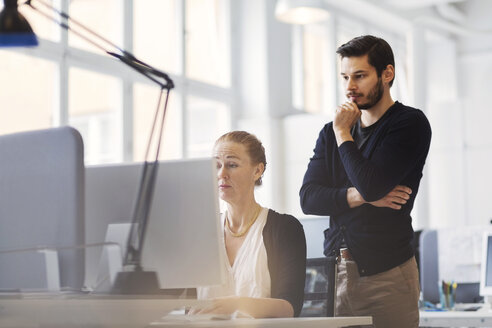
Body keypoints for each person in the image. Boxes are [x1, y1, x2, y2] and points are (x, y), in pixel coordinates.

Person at [299, 35, 431, 328]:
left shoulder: (409, 123)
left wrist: (344, 134)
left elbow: (371, 184)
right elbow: (308, 198)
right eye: (345, 76)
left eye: (359, 76)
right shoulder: (329, 132)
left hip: (387, 274)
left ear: (387, 74)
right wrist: (359, 197)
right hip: (335, 273)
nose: (349, 87)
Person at [191, 130, 306, 318]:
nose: (222, 174)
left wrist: (238, 304)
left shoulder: (284, 228)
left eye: (232, 165)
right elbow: (185, 303)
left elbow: (290, 307)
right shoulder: (202, 232)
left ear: (257, 170)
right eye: (217, 165)